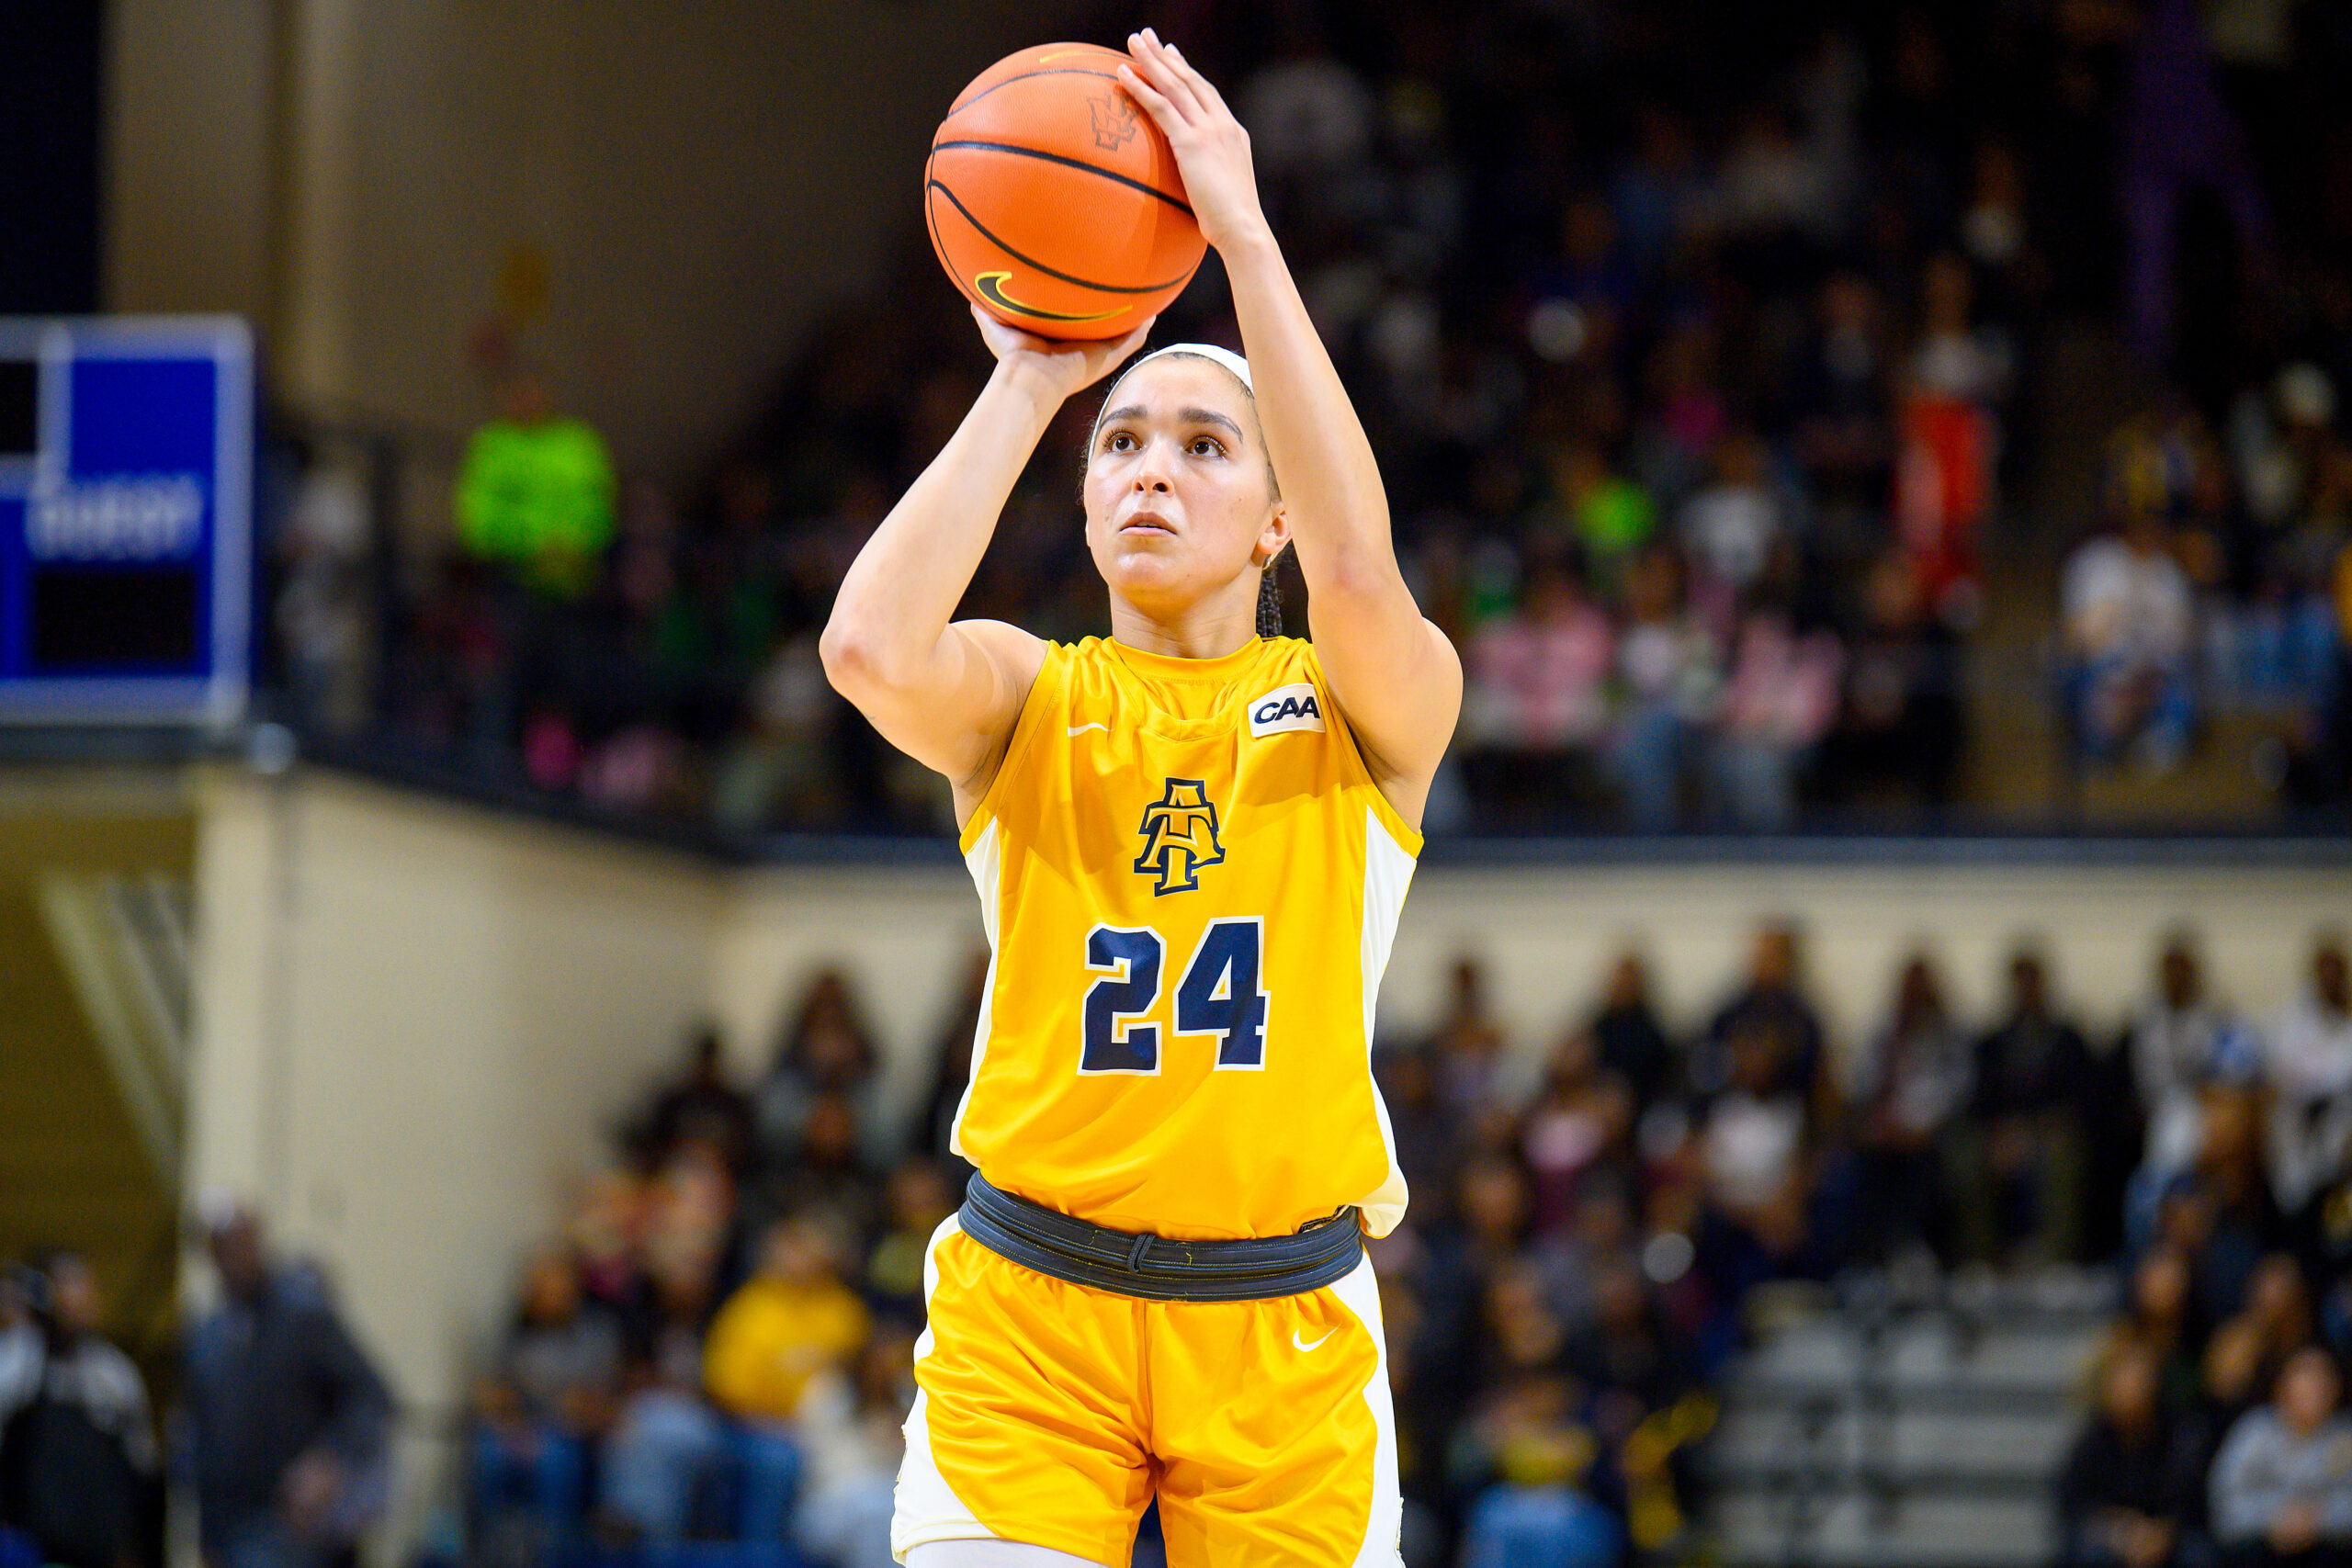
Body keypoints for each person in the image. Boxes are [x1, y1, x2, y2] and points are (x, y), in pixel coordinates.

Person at [818, 29, 1461, 1566]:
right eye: (1122, 445)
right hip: (1032, 1312)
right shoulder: (1028, 694)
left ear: (1273, 521)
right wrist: (1040, 376)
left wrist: (1241, 234)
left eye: (1201, 446)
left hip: (1283, 1328)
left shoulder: (1365, 703)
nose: (1148, 471)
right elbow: (863, 647)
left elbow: (1364, 569)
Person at [182, 1207, 393, 1568]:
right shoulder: (206, 1337)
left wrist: (327, 1461)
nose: (234, 1257)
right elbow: (203, 1441)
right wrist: (207, 1535)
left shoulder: (302, 1317)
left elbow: (371, 1395)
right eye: (222, 1248)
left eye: (242, 1243)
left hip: (291, 1522)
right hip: (231, 1525)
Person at [0, 1254, 160, 1568]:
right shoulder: (19, 1360)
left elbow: (142, 1467)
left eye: (86, 1287)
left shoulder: (115, 1372)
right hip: (29, 1544)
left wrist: (132, 1545)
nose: (80, 1298)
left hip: (98, 1546)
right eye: (69, 1286)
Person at [2209, 1346, 2352, 1565]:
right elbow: (2225, 1504)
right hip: (2260, 1547)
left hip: (2329, 1548)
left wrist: (2316, 1519)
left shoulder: (2346, 1434)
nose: (2315, 1385)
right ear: (2281, 1385)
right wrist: (2276, 1518)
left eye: (2323, 1377)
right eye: (2304, 1375)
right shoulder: (2253, 1431)